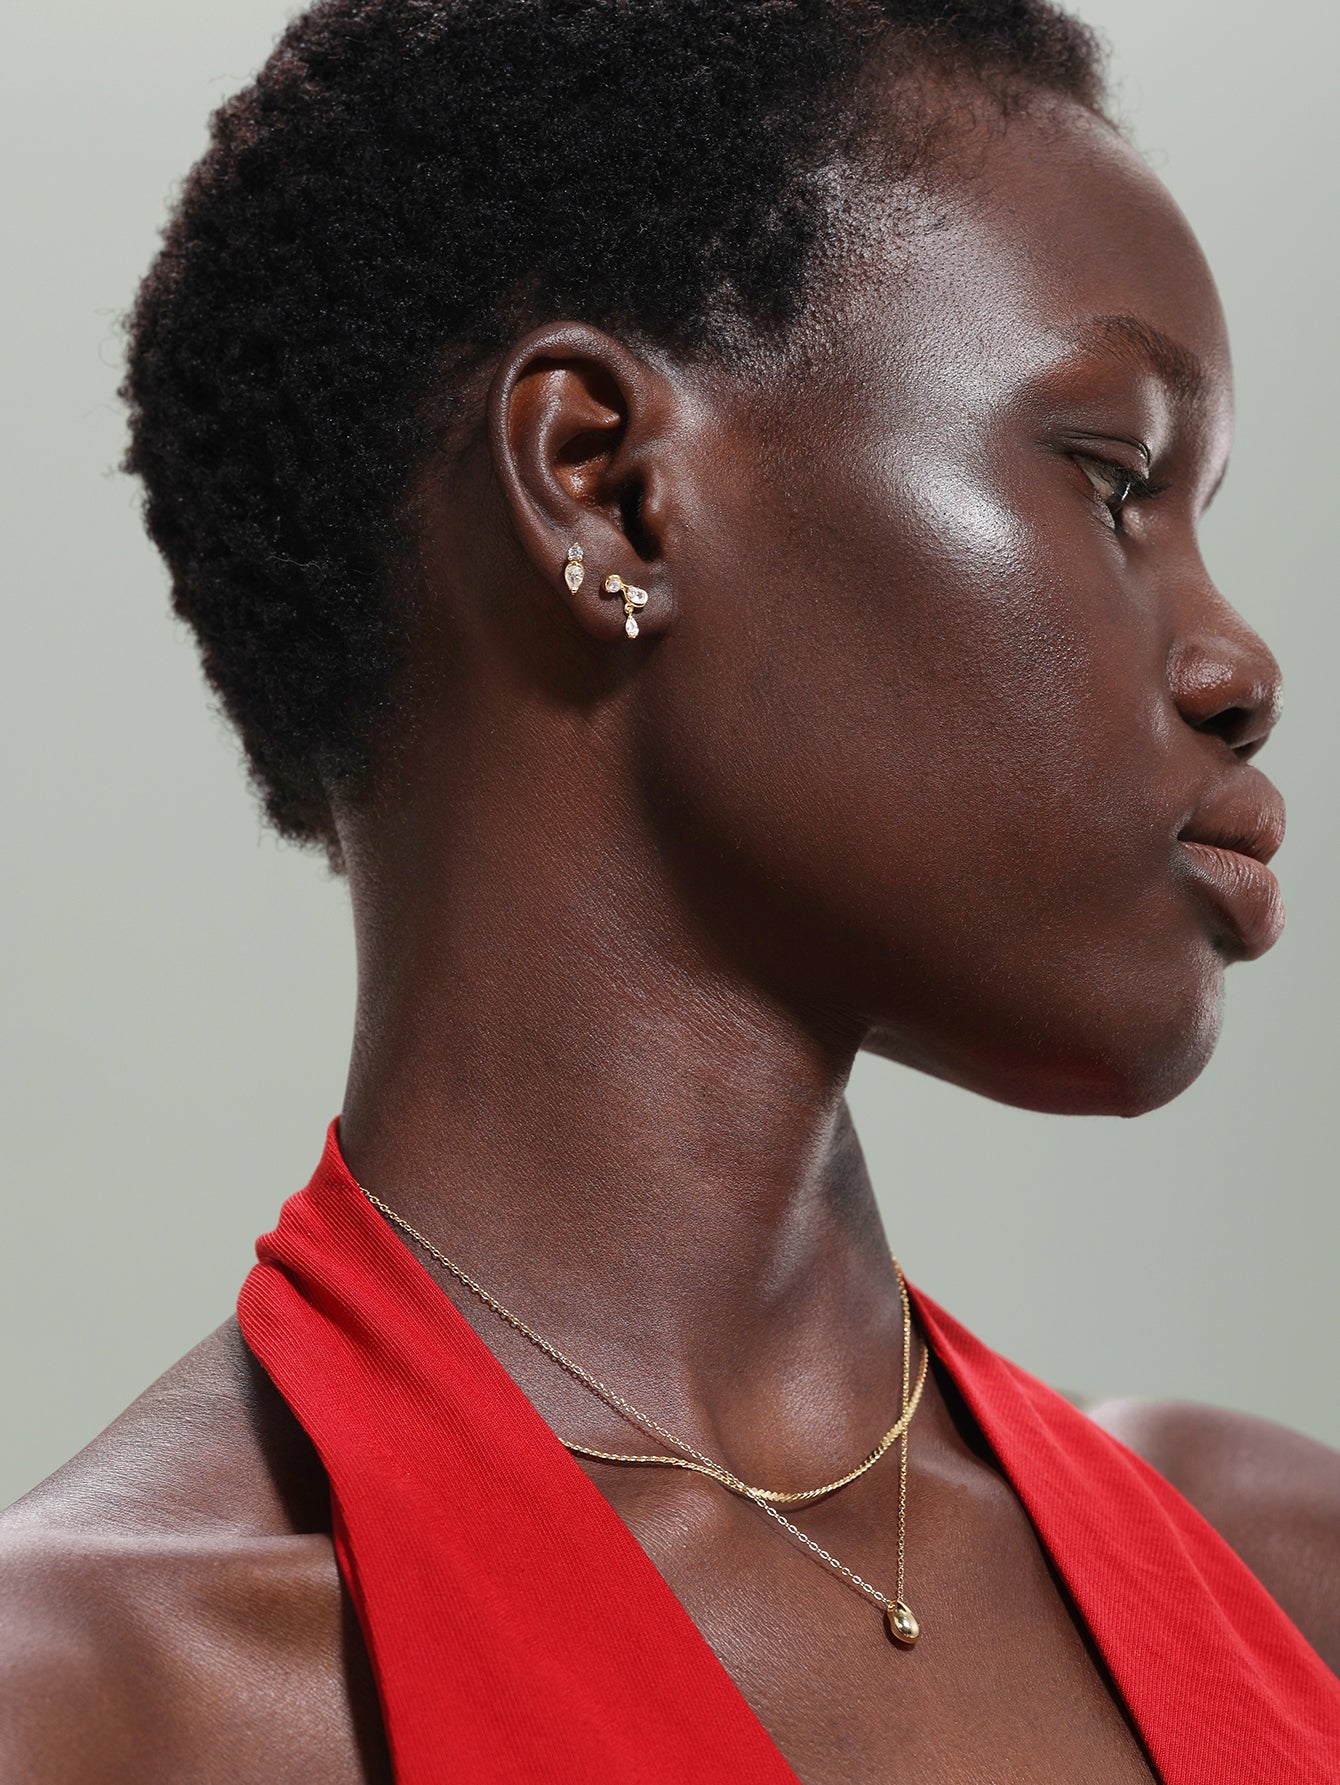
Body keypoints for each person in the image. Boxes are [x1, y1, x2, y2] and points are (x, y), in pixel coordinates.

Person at [2, 0, 1337, 1779]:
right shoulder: (92, 1707)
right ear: (607, 486)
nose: (1241, 664)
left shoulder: (1286, 1571)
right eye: (1112, 480)